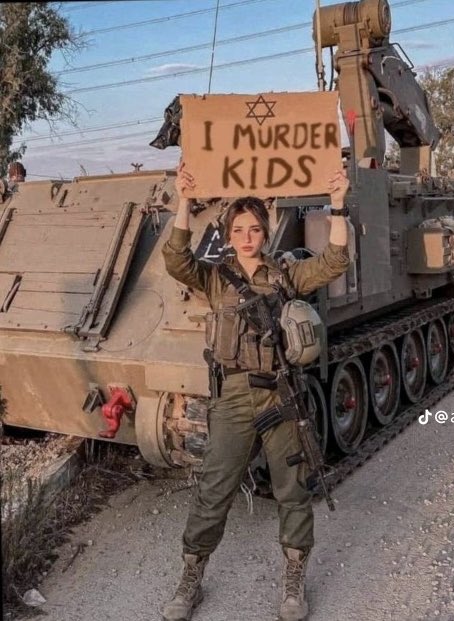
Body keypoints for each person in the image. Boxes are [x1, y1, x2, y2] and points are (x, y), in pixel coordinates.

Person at [161, 161, 350, 621]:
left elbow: (334, 262)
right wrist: (185, 201)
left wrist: (339, 203)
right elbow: (175, 259)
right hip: (232, 398)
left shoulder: (284, 275)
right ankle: (192, 578)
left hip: (280, 397)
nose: (247, 236)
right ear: (229, 234)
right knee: (214, 488)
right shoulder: (213, 277)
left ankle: (294, 575)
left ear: (265, 234)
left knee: (292, 488)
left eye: (254, 229)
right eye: (239, 229)